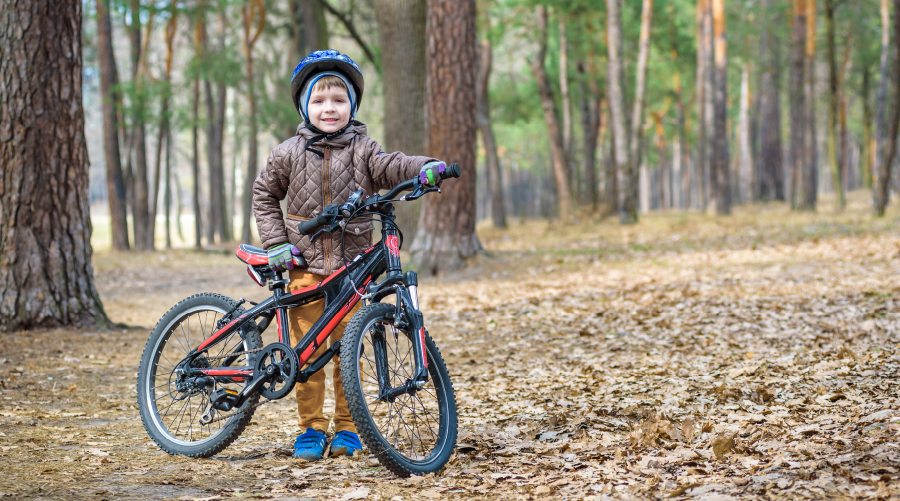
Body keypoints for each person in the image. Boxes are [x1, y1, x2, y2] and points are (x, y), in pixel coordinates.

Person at [252, 49, 446, 461]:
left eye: (339, 101)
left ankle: (347, 428)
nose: (329, 108)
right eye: (319, 100)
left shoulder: (363, 148)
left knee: (347, 352)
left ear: (352, 106)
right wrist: (276, 244)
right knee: (307, 356)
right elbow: (264, 195)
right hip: (303, 266)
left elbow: (392, 165)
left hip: (352, 271)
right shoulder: (288, 151)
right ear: (305, 106)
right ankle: (310, 429)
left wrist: (426, 166)